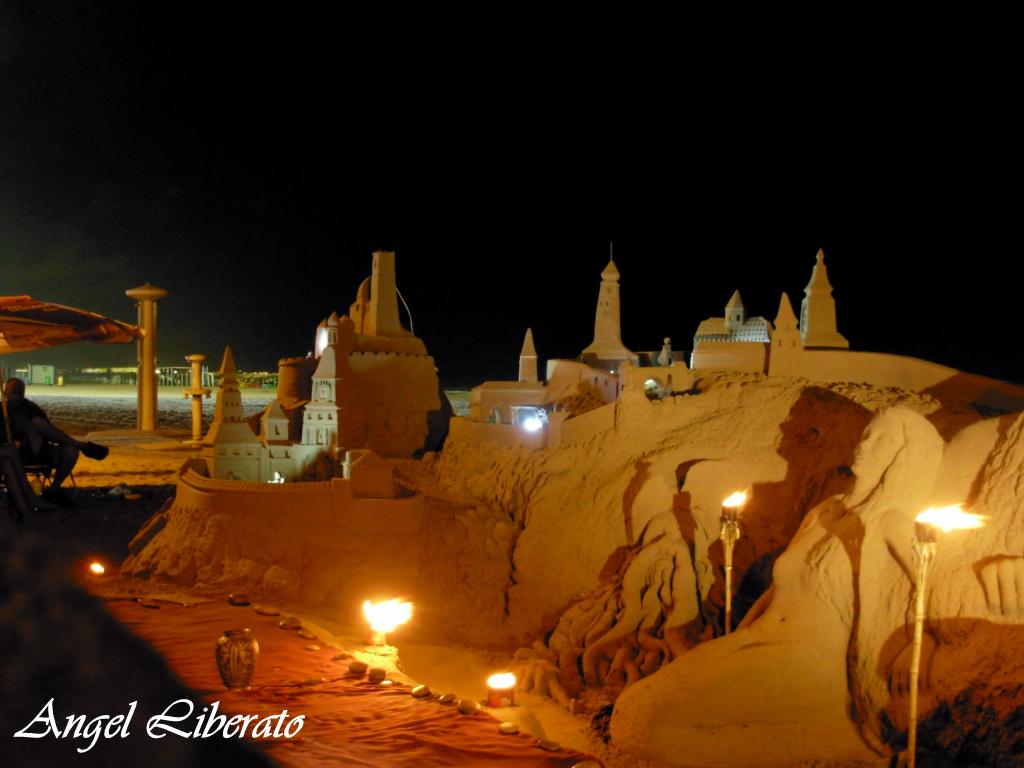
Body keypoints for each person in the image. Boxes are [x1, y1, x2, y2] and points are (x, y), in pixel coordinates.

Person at [3, 377, 109, 506]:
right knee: (37, 423)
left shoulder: (31, 408)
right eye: (14, 392)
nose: (17, 397)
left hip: (41, 451)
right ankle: (82, 445)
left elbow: (49, 431)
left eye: (20, 393)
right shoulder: (2, 411)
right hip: (17, 455)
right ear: (5, 393)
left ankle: (53, 490)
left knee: (70, 450)